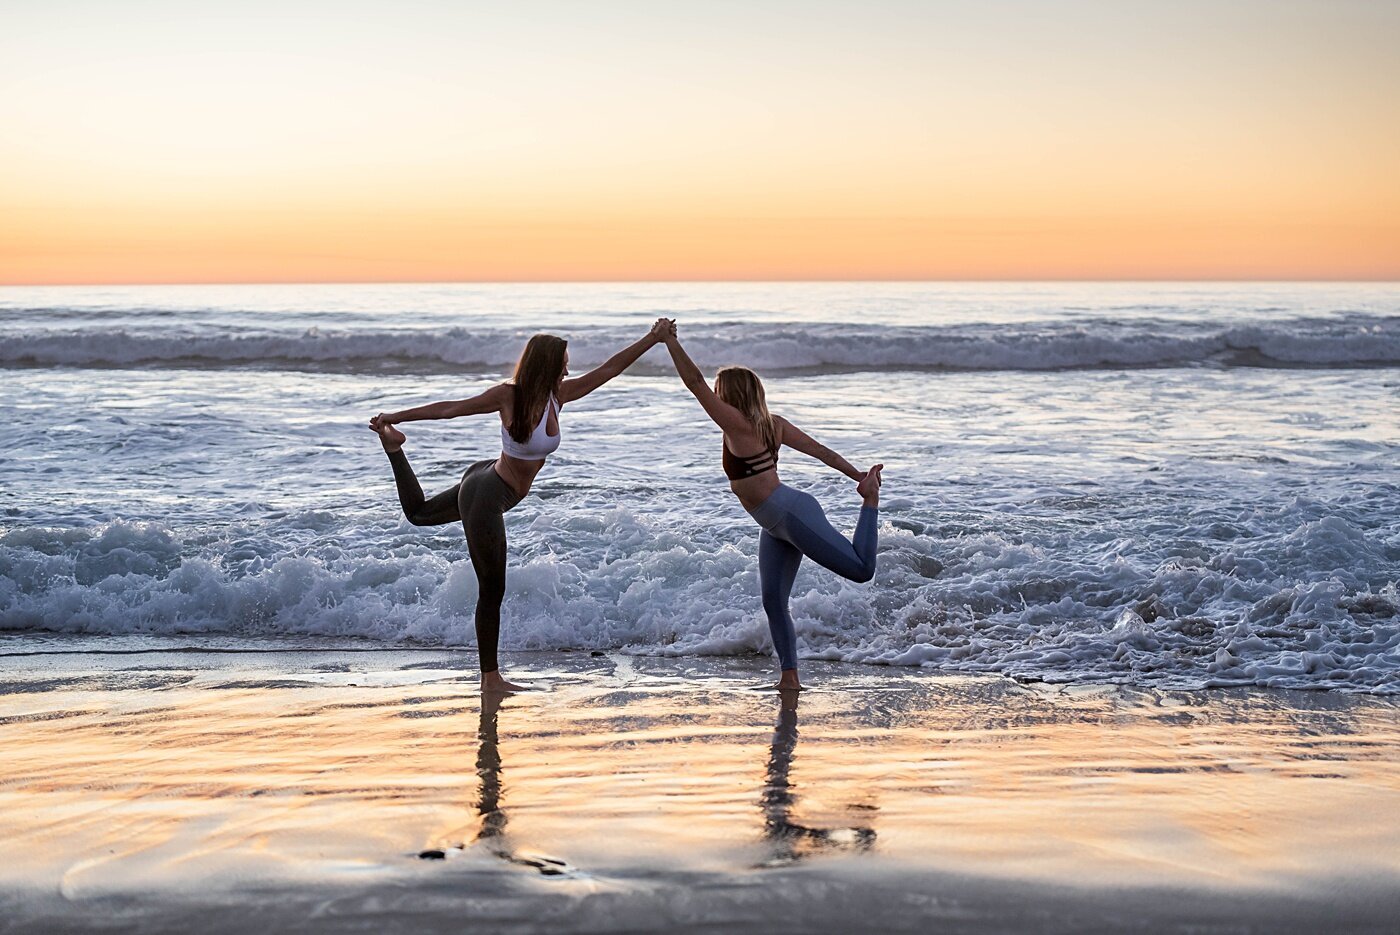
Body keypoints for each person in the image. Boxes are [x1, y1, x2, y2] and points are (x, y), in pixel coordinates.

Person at [369, 321, 670, 693]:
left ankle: (393, 448)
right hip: (488, 492)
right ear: (546, 364)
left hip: (489, 483)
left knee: (419, 514)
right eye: (563, 362)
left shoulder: (558, 396)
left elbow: (610, 369)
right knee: (492, 589)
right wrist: (396, 415)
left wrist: (653, 339)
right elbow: (451, 409)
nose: (568, 369)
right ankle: (490, 680)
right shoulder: (508, 396)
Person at [659, 321, 882, 689]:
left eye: (720, 391)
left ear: (730, 395)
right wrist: (855, 472)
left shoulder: (738, 424)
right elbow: (823, 453)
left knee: (861, 570)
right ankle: (789, 679)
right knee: (773, 601)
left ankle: (870, 505)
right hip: (775, 523)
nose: (714, 395)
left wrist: (670, 342)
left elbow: (695, 385)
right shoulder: (769, 424)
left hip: (790, 512)